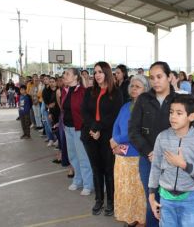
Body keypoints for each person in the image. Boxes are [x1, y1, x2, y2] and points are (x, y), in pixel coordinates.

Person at [148, 94, 194, 227]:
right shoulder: (162, 137)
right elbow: (155, 167)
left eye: (179, 113)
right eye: (171, 112)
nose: (173, 116)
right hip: (165, 198)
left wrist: (184, 165)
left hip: (189, 198)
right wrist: (152, 194)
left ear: (191, 116)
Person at [129, 61, 176, 227]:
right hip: (148, 161)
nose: (155, 81)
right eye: (152, 77)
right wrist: (149, 152)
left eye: (159, 76)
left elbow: (187, 132)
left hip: (174, 162)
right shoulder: (143, 99)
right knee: (153, 203)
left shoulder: (180, 100)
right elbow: (133, 130)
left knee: (172, 205)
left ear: (169, 77)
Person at [81, 62, 123, 216]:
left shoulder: (116, 93)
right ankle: (99, 200)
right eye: (95, 72)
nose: (97, 75)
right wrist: (93, 128)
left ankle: (111, 201)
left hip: (107, 136)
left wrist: (98, 128)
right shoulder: (89, 92)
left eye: (100, 71)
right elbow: (84, 112)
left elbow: (114, 116)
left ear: (107, 73)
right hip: (90, 135)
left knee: (108, 170)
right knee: (96, 169)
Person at [110, 75, 150, 227]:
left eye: (138, 86)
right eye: (132, 86)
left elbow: (136, 130)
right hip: (121, 154)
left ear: (145, 89)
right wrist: (115, 142)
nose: (134, 89)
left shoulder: (146, 107)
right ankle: (130, 217)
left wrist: (118, 140)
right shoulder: (125, 106)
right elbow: (116, 125)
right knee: (125, 189)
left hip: (136, 154)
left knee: (138, 190)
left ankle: (141, 220)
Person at [62, 68, 93, 196]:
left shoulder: (83, 91)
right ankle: (78, 180)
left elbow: (87, 111)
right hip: (68, 128)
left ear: (76, 77)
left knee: (83, 157)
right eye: (64, 74)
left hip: (79, 129)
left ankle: (88, 184)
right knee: (73, 156)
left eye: (67, 74)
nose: (65, 76)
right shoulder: (64, 91)